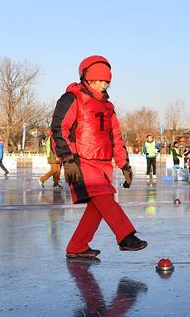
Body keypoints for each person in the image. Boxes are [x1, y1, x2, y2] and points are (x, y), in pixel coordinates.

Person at [50, 55, 147, 258]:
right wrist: (68, 159)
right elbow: (59, 129)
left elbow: (116, 137)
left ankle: (77, 247)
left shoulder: (108, 107)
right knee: (104, 199)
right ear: (87, 78)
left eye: (107, 81)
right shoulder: (72, 98)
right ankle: (126, 236)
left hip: (103, 163)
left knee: (99, 205)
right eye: (99, 80)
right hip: (81, 161)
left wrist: (124, 164)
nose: (103, 85)